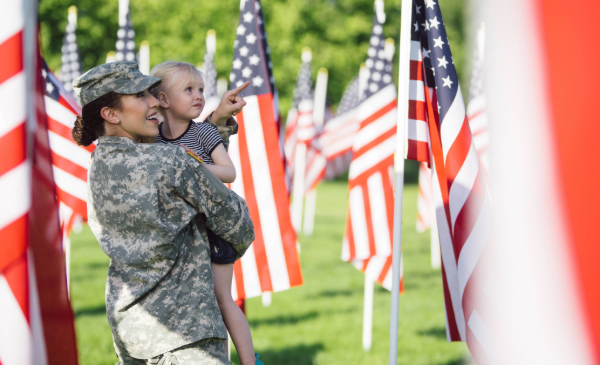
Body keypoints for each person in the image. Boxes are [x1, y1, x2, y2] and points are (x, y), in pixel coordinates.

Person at [71, 61, 259, 365]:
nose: (155, 101)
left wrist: (217, 122)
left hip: (131, 332)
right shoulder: (171, 162)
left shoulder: (97, 169)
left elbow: (180, 138)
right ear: (111, 114)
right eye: (141, 96)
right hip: (188, 335)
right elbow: (239, 226)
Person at [148, 61, 257, 365]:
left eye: (200, 89)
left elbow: (229, 171)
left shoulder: (204, 134)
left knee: (222, 298)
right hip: (180, 234)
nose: (198, 95)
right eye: (189, 90)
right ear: (164, 100)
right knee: (191, 302)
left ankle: (250, 361)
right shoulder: (152, 139)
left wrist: (192, 166)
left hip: (214, 230)